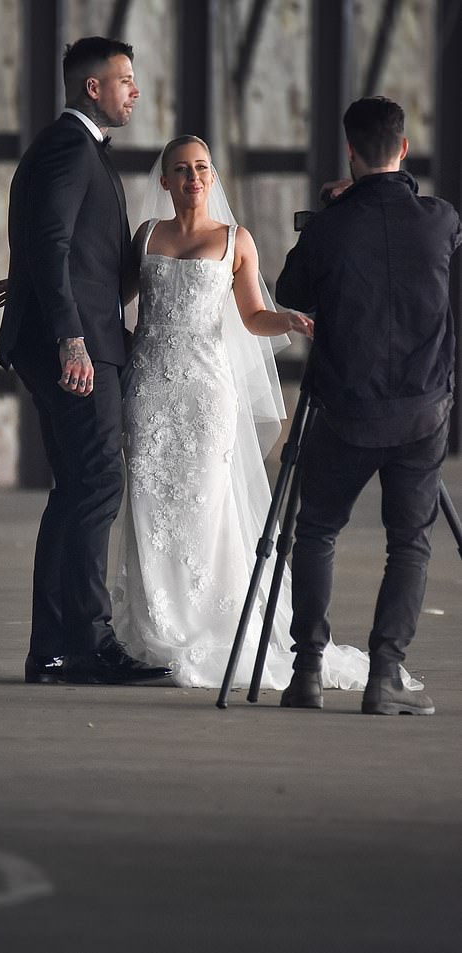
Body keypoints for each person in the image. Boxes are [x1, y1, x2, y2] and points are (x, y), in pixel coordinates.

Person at [111, 135, 353, 690]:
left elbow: (252, 316)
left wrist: (286, 320)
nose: (193, 177)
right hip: (149, 390)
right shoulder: (147, 236)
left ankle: (212, 620)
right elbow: (110, 298)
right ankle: (156, 626)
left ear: (212, 177)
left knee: (207, 503)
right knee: (148, 501)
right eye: (181, 169)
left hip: (206, 395)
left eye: (201, 168)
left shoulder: (235, 240)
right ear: (165, 182)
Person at [0, 36, 171, 686]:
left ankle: (58, 648)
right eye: (125, 80)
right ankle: (82, 644)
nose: (135, 90)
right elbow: (50, 237)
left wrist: (35, 287)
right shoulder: (70, 148)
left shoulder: (65, 147)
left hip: (77, 335)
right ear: (92, 88)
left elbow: (61, 247)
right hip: (81, 347)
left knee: (78, 489)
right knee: (95, 485)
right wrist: (69, 336)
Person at [275, 97, 462, 715]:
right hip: (421, 413)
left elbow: (291, 293)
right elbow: (430, 224)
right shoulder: (439, 220)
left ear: (350, 151)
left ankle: (305, 672)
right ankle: (385, 677)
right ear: (404, 149)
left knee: (318, 532)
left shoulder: (328, 229)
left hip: (345, 413)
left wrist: (340, 206)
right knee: (409, 542)